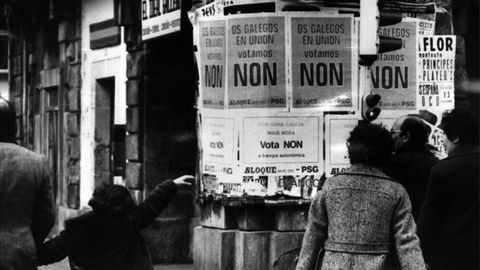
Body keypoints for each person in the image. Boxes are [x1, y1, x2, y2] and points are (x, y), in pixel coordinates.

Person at [296, 123, 426, 270]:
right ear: (386, 153)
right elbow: (406, 241)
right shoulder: (395, 191)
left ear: (350, 150)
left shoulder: (330, 186)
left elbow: (313, 235)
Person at [37, 175, 195, 270]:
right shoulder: (128, 223)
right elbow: (152, 205)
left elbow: (50, 252)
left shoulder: (78, 227)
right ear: (126, 206)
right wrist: (172, 185)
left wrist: (22, 251)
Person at [418, 108, 479, 270]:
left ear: (456, 138)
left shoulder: (443, 170)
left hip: (452, 255)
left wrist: (420, 255)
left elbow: (430, 220)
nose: (442, 140)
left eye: (444, 135)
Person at [0, 97, 55, 270]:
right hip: (20, 251)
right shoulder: (36, 161)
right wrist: (27, 238)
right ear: (13, 126)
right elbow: (47, 215)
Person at [383, 115, 438, 220]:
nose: (390, 137)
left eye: (393, 132)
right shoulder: (435, 164)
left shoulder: (394, 164)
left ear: (405, 137)